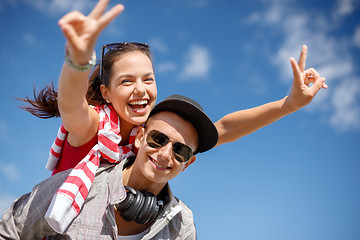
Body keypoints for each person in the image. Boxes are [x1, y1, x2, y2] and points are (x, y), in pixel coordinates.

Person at [18, 0, 326, 234]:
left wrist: (289, 104)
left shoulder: (152, 129)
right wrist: (77, 59)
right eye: (127, 81)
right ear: (106, 92)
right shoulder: (95, 125)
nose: (140, 89)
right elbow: (71, 105)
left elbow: (226, 128)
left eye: (148, 79)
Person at [0, 94, 218, 239]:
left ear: (188, 163)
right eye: (158, 139)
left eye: (180, 151)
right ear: (140, 137)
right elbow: (10, 230)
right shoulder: (80, 187)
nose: (164, 154)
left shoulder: (182, 224)